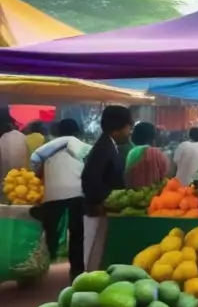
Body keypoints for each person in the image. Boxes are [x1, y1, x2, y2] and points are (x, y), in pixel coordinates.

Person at [80, 106, 133, 277]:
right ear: (117, 128)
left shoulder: (109, 145)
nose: (129, 132)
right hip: (99, 210)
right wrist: (99, 203)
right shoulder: (103, 149)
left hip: (104, 208)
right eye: (128, 127)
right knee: (96, 253)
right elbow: (89, 178)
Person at [31, 119, 90, 268]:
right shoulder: (82, 148)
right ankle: (77, 266)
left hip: (52, 194)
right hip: (77, 192)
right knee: (77, 231)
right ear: (78, 132)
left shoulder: (48, 151)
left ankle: (46, 260)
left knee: (50, 229)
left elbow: (37, 173)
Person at [124, 122, 172, 189]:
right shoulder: (156, 153)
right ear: (151, 137)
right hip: (155, 195)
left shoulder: (131, 153)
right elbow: (166, 173)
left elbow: (128, 178)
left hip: (136, 195)